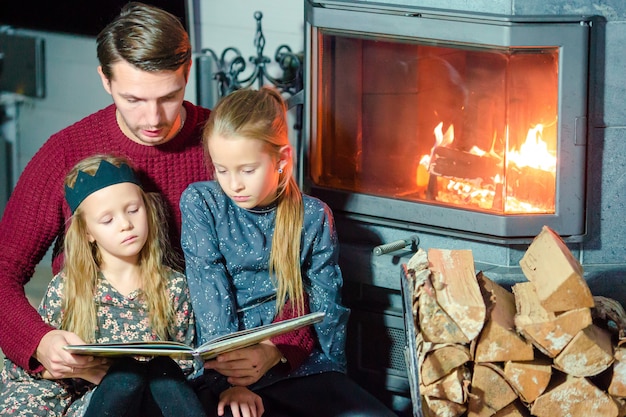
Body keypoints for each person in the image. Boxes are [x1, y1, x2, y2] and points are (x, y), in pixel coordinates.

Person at [0, 2, 211, 381]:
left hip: (192, 357)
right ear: (105, 80)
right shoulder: (66, 152)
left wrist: (275, 350)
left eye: (168, 96)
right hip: (92, 365)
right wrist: (39, 341)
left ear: (187, 71)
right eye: (133, 100)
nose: (153, 119)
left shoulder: (222, 144)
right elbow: (3, 269)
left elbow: (290, 252)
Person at [180, 88, 397, 417]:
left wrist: (282, 354)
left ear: (282, 160)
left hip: (297, 363)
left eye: (247, 170)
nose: (233, 184)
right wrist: (228, 379)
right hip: (225, 369)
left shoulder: (313, 216)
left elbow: (326, 306)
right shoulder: (202, 202)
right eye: (221, 170)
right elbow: (209, 292)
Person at [0, 155, 206, 417]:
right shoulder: (67, 289)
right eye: (107, 220)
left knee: (164, 375)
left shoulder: (175, 286)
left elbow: (187, 363)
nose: (125, 225)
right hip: (97, 402)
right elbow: (39, 371)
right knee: (124, 380)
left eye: (133, 210)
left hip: (157, 400)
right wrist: (85, 371)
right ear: (87, 233)